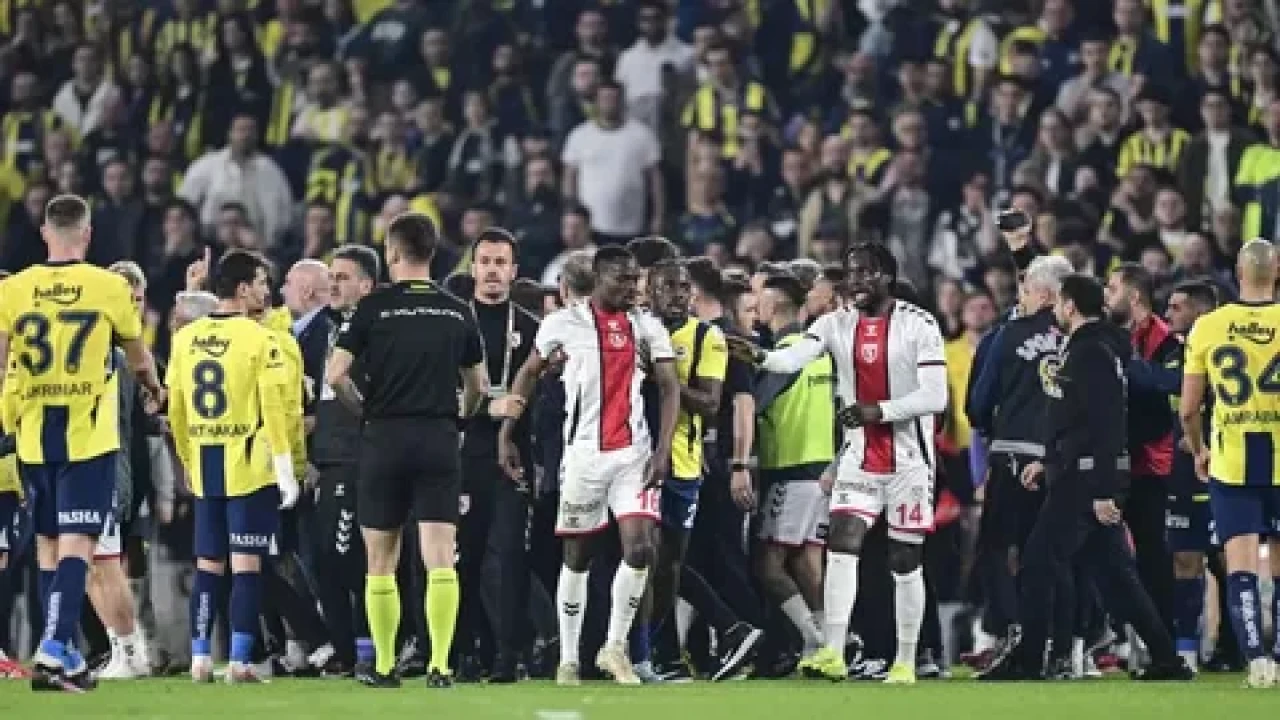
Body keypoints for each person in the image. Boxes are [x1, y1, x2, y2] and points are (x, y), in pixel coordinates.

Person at [727, 243, 948, 685]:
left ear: (887, 276)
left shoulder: (919, 324)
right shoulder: (834, 323)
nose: (856, 281)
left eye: (865, 272)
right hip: (858, 458)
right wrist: (760, 355)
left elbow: (935, 396)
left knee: (905, 561)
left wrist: (877, 411)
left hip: (909, 462)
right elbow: (793, 357)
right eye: (850, 273)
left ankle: (906, 661)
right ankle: (832, 649)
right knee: (842, 544)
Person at [980, 273, 1192, 682]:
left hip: (1085, 480)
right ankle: (1167, 658)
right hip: (1080, 473)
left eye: (1060, 304)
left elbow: (1107, 423)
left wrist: (1105, 490)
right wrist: (1049, 460)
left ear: (1071, 306)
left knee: (1038, 562)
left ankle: (1028, 660)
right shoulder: (1096, 348)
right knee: (1116, 576)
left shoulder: (1091, 352)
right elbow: (1078, 421)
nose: (1055, 312)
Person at [496, 245, 681, 686]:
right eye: (622, 279)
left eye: (635, 280)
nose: (632, 288)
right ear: (598, 279)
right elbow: (528, 372)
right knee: (577, 558)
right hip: (583, 457)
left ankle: (614, 647)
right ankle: (569, 658)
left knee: (641, 549)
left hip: (633, 455)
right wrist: (507, 431)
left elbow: (670, 388)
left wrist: (662, 450)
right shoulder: (563, 324)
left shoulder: (648, 327)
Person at [0, 194, 162, 692]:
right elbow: (138, 358)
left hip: (32, 437)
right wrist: (154, 388)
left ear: (45, 233)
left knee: (49, 546)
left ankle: (67, 654)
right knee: (79, 544)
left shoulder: (13, 289)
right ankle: (53, 650)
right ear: (87, 235)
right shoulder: (109, 287)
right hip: (87, 437)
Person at [324, 213, 492, 689]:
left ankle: (383, 666)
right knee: (440, 557)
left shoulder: (373, 310)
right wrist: (461, 417)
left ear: (392, 253)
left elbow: (336, 375)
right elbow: (478, 385)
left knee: (381, 561)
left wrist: (363, 411)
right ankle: (440, 665)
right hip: (438, 438)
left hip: (384, 438)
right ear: (433, 252)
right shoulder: (457, 310)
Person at [167, 249, 301, 684]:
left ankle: (200, 658)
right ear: (243, 289)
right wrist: (285, 466)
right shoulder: (259, 339)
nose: (266, 291)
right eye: (261, 283)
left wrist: (187, 460)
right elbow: (274, 409)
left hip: (205, 467)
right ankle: (241, 661)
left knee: (208, 568)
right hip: (249, 468)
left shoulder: (186, 338)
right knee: (246, 568)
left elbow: (177, 410)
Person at [1179, 239, 1280, 689]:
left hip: (1233, 461)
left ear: (1239, 273)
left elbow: (1188, 408)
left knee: (1240, 567)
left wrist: (1198, 449)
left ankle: (1257, 661)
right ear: (1276, 272)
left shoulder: (1209, 326)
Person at [965, 255, 1073, 657]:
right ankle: (1064, 645)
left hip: (1013, 456)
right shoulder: (1085, 338)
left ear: (1044, 295)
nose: (1020, 299)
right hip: (1067, 460)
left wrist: (991, 428)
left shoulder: (1008, 335)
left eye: (1025, 291)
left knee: (996, 548)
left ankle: (1012, 631)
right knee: (1055, 554)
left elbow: (978, 403)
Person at [456, 227, 541, 683]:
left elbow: (542, 392)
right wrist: (489, 406)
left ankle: (509, 656)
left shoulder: (531, 327)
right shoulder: (455, 321)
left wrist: (516, 409)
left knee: (509, 556)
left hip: (514, 457)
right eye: (485, 261)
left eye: (500, 262)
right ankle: (467, 653)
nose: (492, 270)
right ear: (473, 268)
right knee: (465, 557)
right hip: (463, 454)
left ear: (514, 270)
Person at [752, 273, 835, 660]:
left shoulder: (784, 356)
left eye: (760, 299)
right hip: (822, 466)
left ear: (773, 306)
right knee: (806, 561)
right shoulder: (821, 352)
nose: (755, 304)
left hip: (790, 466)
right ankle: (832, 638)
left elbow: (754, 405)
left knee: (768, 565)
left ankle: (817, 638)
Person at [311, 244, 381, 674]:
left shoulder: (375, 331)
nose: (333, 284)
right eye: (331, 277)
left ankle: (368, 645)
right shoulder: (324, 328)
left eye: (343, 277)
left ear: (367, 285)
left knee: (346, 558)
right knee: (327, 559)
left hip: (358, 457)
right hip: (327, 458)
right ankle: (346, 649)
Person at [1159, 281, 1219, 671]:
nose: (1169, 315)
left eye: (1177, 307)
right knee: (1185, 558)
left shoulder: (1224, 351)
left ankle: (1240, 648)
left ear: (1200, 312)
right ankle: (1186, 649)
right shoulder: (1169, 355)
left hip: (1225, 467)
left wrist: (1203, 437)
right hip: (1181, 474)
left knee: (1231, 561)